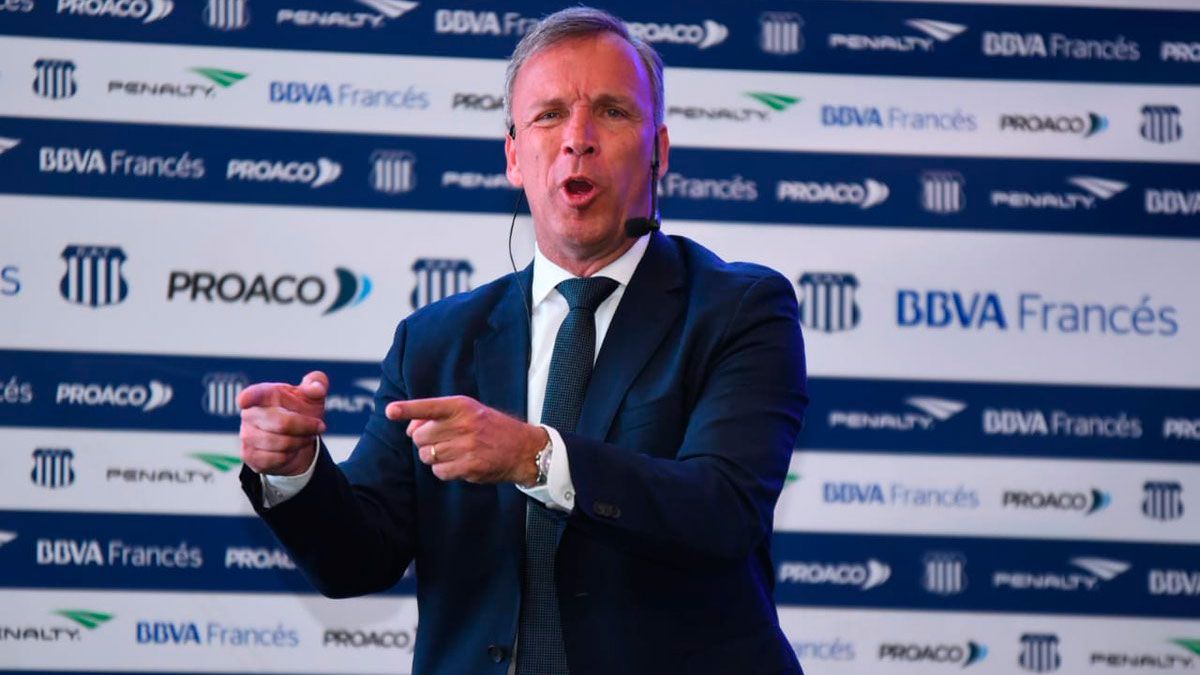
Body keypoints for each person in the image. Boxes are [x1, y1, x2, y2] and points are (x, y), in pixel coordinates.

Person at [238, 7, 807, 674]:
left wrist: (535, 456)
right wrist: (295, 470)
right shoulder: (435, 342)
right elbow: (356, 559)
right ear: (513, 156)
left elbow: (722, 510)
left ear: (659, 151)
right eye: (549, 115)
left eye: (612, 112)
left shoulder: (739, 310)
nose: (578, 140)